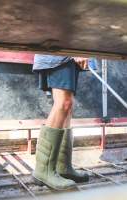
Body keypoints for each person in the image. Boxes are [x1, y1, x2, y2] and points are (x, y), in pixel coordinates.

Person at [32, 54, 90, 190]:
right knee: (63, 103)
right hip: (59, 54)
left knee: (68, 106)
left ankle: (63, 167)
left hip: (65, 56)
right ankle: (43, 170)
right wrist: (73, 50)